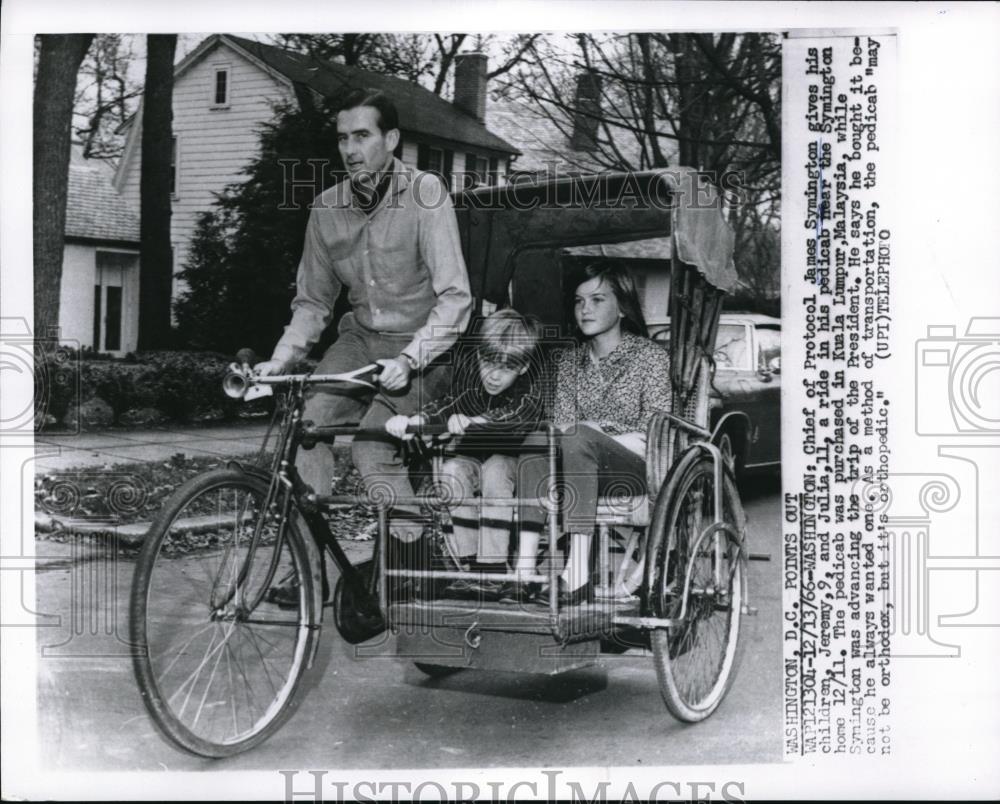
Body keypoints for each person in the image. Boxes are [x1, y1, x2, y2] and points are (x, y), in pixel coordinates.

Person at [254, 88, 472, 596]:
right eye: (343, 138)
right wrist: (280, 359)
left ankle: (413, 552)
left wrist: (411, 357)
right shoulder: (326, 209)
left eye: (362, 136)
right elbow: (312, 304)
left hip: (424, 348)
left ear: (391, 139)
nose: (351, 149)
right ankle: (307, 569)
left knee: (374, 445)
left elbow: (456, 299)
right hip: (359, 341)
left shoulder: (426, 195)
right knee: (306, 429)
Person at [517, 259, 672, 605]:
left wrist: (592, 433)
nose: (584, 309)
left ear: (622, 307)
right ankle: (524, 570)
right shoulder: (570, 362)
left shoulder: (650, 358)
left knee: (576, 437)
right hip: (581, 462)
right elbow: (560, 424)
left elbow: (655, 432)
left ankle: (576, 575)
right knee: (538, 440)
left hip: (636, 469)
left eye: (598, 300)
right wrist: (584, 432)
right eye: (578, 301)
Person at [385, 309, 544, 601]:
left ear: (522, 368)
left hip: (519, 465)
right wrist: (413, 422)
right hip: (475, 462)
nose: (494, 376)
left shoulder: (530, 388)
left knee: (496, 467)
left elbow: (516, 416)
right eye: (488, 363)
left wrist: (476, 422)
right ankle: (470, 567)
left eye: (506, 368)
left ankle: (492, 568)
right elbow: (447, 405)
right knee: (453, 469)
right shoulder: (474, 384)